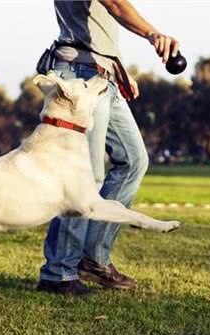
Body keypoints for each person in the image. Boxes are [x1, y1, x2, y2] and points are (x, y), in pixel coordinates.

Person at [36, 0, 180, 295]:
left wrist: (117, 67)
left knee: (133, 161)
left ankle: (93, 258)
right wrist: (153, 34)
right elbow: (114, 4)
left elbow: (97, 24)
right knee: (85, 177)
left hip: (102, 74)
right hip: (79, 74)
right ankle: (59, 272)